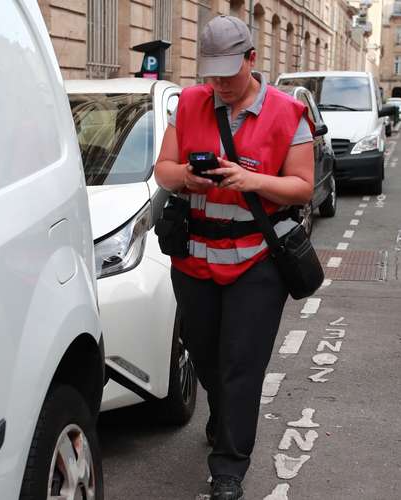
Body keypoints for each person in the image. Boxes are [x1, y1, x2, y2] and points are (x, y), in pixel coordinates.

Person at [153, 14, 315, 500]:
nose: (219, 83)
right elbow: (163, 170)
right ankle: (223, 416)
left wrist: (253, 181)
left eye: (229, 72)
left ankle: (228, 468)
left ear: (252, 59)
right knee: (206, 359)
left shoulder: (288, 113)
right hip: (195, 262)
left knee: (242, 366)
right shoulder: (191, 104)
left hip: (256, 264)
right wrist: (187, 177)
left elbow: (302, 186)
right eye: (211, 73)